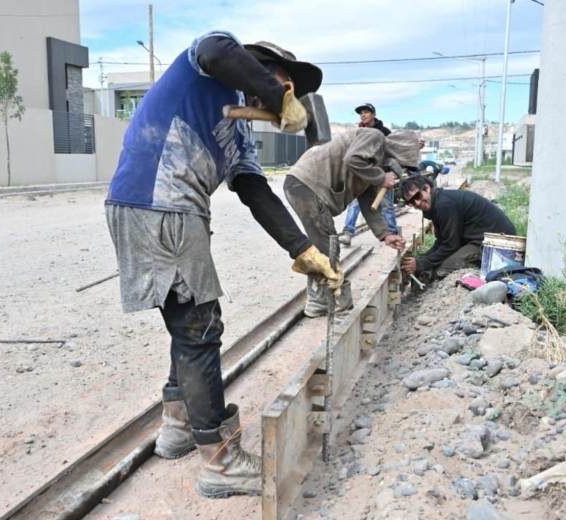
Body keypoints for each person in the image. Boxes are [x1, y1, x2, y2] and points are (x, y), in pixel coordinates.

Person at [105, 31, 342, 499]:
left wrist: (302, 250)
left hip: (163, 210)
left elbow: (256, 193)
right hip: (161, 205)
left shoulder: (238, 129)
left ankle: (177, 426)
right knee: (199, 330)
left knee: (188, 320)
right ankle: (221, 462)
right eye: (283, 81)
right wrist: (278, 96)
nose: (285, 92)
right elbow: (217, 51)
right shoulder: (207, 65)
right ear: (255, 65)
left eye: (290, 88)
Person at [284, 129, 422, 317]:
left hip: (307, 187)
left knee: (324, 245)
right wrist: (382, 178)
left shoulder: (373, 165)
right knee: (328, 246)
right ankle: (335, 303)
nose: (396, 173)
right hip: (306, 185)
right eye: (400, 166)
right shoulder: (375, 137)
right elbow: (352, 159)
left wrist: (385, 234)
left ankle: (318, 301)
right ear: (397, 153)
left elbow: (369, 205)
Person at [400, 176, 516, 280]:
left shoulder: (444, 205)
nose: (417, 203)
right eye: (411, 202)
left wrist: (420, 263)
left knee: (443, 269)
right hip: (479, 238)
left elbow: (451, 245)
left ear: (427, 189)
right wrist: (421, 260)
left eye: (418, 196)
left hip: (498, 242)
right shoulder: (437, 203)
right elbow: (442, 241)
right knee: (433, 264)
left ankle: (476, 268)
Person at [339, 103, 397, 245]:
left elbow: (392, 153)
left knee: (387, 205)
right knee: (354, 204)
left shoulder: (384, 132)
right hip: (362, 175)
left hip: (381, 175)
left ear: (374, 114)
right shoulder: (358, 132)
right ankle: (348, 232)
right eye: (361, 113)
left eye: (366, 112)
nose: (363, 115)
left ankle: (393, 235)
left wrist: (388, 173)